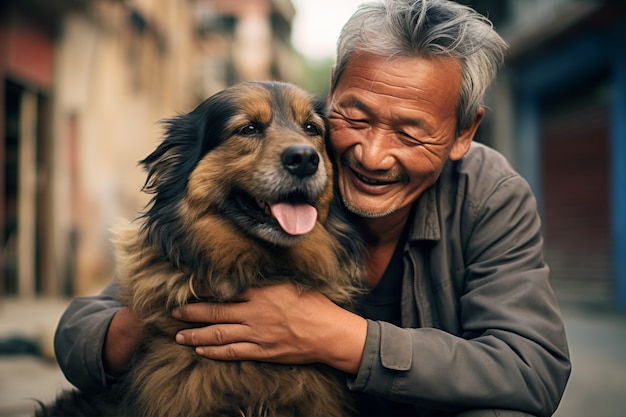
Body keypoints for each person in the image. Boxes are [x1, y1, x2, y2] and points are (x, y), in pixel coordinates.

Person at [54, 0, 571, 416]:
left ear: (463, 133)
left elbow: (533, 369)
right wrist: (155, 317)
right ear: (333, 92)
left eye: (410, 132)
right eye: (357, 117)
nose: (371, 155)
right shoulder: (314, 160)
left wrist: (339, 337)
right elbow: (81, 331)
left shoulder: (487, 194)